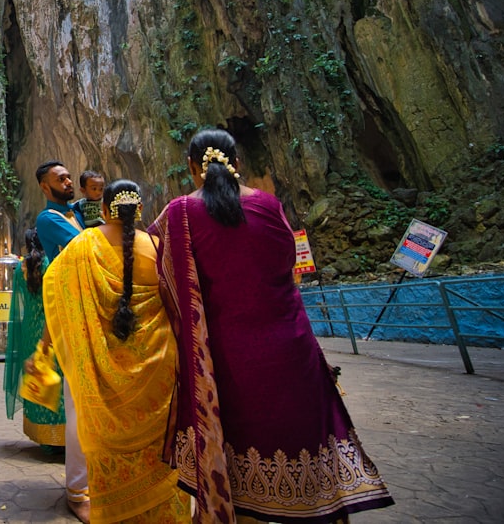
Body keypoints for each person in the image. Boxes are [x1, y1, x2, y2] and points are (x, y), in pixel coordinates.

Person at [151, 129, 395, 522]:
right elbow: (287, 269)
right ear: (237, 163)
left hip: (227, 360)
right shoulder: (270, 204)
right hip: (290, 347)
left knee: (238, 463)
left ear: (193, 167)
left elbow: (166, 285)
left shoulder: (179, 214)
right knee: (303, 442)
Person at [40, 180, 190, 523]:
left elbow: (55, 287)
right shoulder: (158, 246)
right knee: (153, 443)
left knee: (99, 434)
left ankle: (110, 505)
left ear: (104, 209)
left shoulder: (82, 246)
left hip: (100, 363)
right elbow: (177, 305)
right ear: (139, 211)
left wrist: (50, 340)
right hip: (154, 368)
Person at [34, 159, 89, 522]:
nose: (69, 181)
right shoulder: (49, 219)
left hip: (90, 306)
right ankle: (77, 490)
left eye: (70, 176)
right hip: (70, 312)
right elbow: (85, 246)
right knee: (76, 403)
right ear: (45, 186)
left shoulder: (78, 213)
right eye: (61, 178)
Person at [3, 229, 65, 451]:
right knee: (53, 374)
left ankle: (42, 435)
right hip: (48, 327)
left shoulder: (21, 269)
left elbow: (20, 301)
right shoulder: (52, 265)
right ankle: (59, 435)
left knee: (36, 375)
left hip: (30, 327)